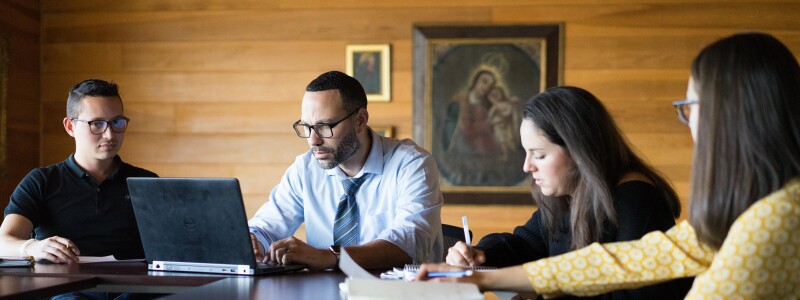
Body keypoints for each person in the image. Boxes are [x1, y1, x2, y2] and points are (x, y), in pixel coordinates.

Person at [419, 32, 800, 299]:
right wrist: (485, 275)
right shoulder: (761, 208)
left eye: (690, 108)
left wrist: (497, 284)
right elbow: (620, 261)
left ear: (729, 115)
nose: (689, 122)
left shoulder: (773, 219)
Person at [446, 86, 691, 299]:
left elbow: (628, 294)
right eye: (526, 152)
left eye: (539, 155)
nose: (527, 166)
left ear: (578, 150)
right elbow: (523, 244)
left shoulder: (637, 200)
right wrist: (479, 255)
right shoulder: (566, 194)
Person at [248, 71, 444, 270]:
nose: (313, 140)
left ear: (360, 120)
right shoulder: (305, 170)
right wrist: (252, 240)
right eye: (306, 127)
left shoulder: (413, 164)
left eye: (324, 126)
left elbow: (409, 243)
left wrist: (329, 257)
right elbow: (266, 227)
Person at [0, 79, 158, 264]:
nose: (109, 134)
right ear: (70, 127)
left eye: (117, 122)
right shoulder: (42, 181)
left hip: (135, 289)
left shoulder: (147, 182)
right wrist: (32, 247)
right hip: (66, 289)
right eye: (97, 124)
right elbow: (3, 242)